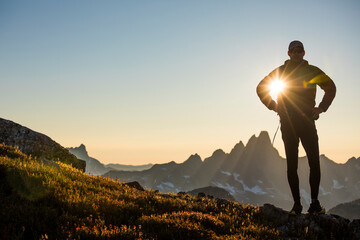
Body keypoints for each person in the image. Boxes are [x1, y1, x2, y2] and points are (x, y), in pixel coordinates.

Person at [256, 40, 336, 215]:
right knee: (292, 165)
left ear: (304, 53)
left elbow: (331, 88)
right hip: (289, 123)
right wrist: (274, 106)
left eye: (300, 51)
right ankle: (297, 205)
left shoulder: (312, 71)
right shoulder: (281, 72)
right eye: (294, 51)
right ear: (289, 53)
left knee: (314, 162)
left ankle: (314, 203)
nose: (297, 53)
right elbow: (261, 88)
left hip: (306, 122)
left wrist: (321, 108)